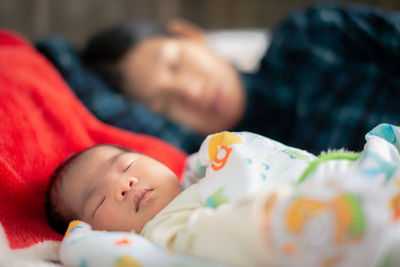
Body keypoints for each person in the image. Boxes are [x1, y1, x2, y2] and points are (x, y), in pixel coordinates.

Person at [36, 3, 400, 155]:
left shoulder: (310, 39)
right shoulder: (224, 161)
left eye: (177, 64)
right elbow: (57, 73)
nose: (191, 92)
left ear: (190, 35)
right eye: (165, 104)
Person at [46, 124, 400, 266]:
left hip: (345, 174)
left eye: (127, 165)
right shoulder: (160, 236)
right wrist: (78, 240)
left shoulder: (208, 165)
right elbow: (99, 255)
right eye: (98, 200)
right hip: (303, 226)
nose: (124, 184)